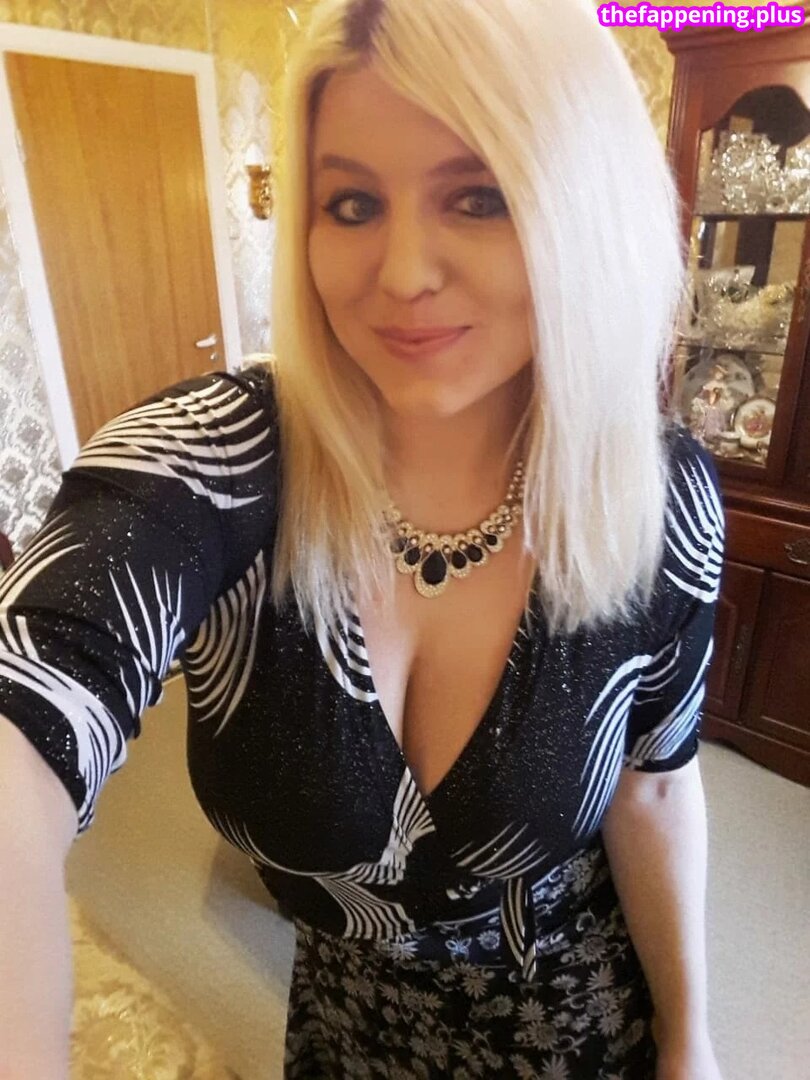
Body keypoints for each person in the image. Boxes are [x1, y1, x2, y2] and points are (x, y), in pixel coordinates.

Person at [0, 0, 726, 1077]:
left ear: (587, 212)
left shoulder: (661, 500)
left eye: (477, 196)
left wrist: (690, 1035)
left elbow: (656, 784)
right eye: (351, 203)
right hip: (345, 1019)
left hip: (575, 1015)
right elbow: (30, 708)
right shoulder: (213, 461)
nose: (402, 273)